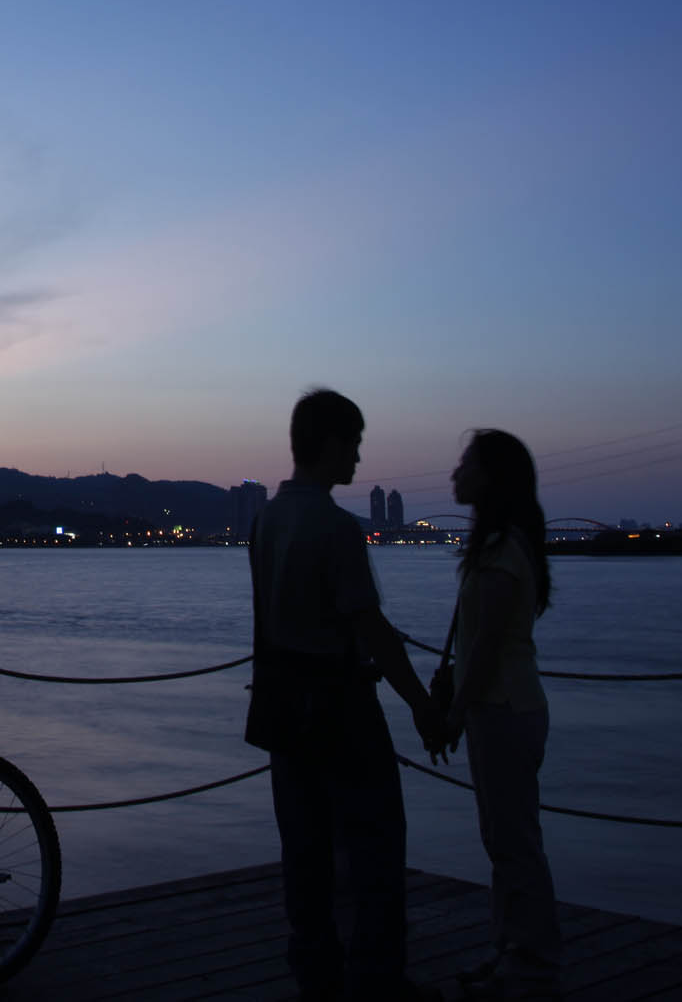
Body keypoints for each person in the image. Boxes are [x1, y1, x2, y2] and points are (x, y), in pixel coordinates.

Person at [245, 388, 446, 1002]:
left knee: (304, 853)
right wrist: (422, 702)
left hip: (281, 704)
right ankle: (378, 984)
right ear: (329, 443)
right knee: (374, 850)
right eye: (354, 443)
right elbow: (370, 629)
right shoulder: (335, 528)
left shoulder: (267, 520)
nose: (358, 457)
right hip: (340, 705)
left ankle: (317, 977)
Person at [445, 429, 562, 1000]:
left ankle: (532, 961)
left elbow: (486, 648)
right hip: (508, 707)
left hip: (503, 709)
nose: (454, 474)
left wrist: (454, 711)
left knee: (513, 840)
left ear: (490, 477)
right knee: (505, 838)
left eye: (465, 464)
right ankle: (507, 951)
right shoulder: (505, 543)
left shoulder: (500, 550)